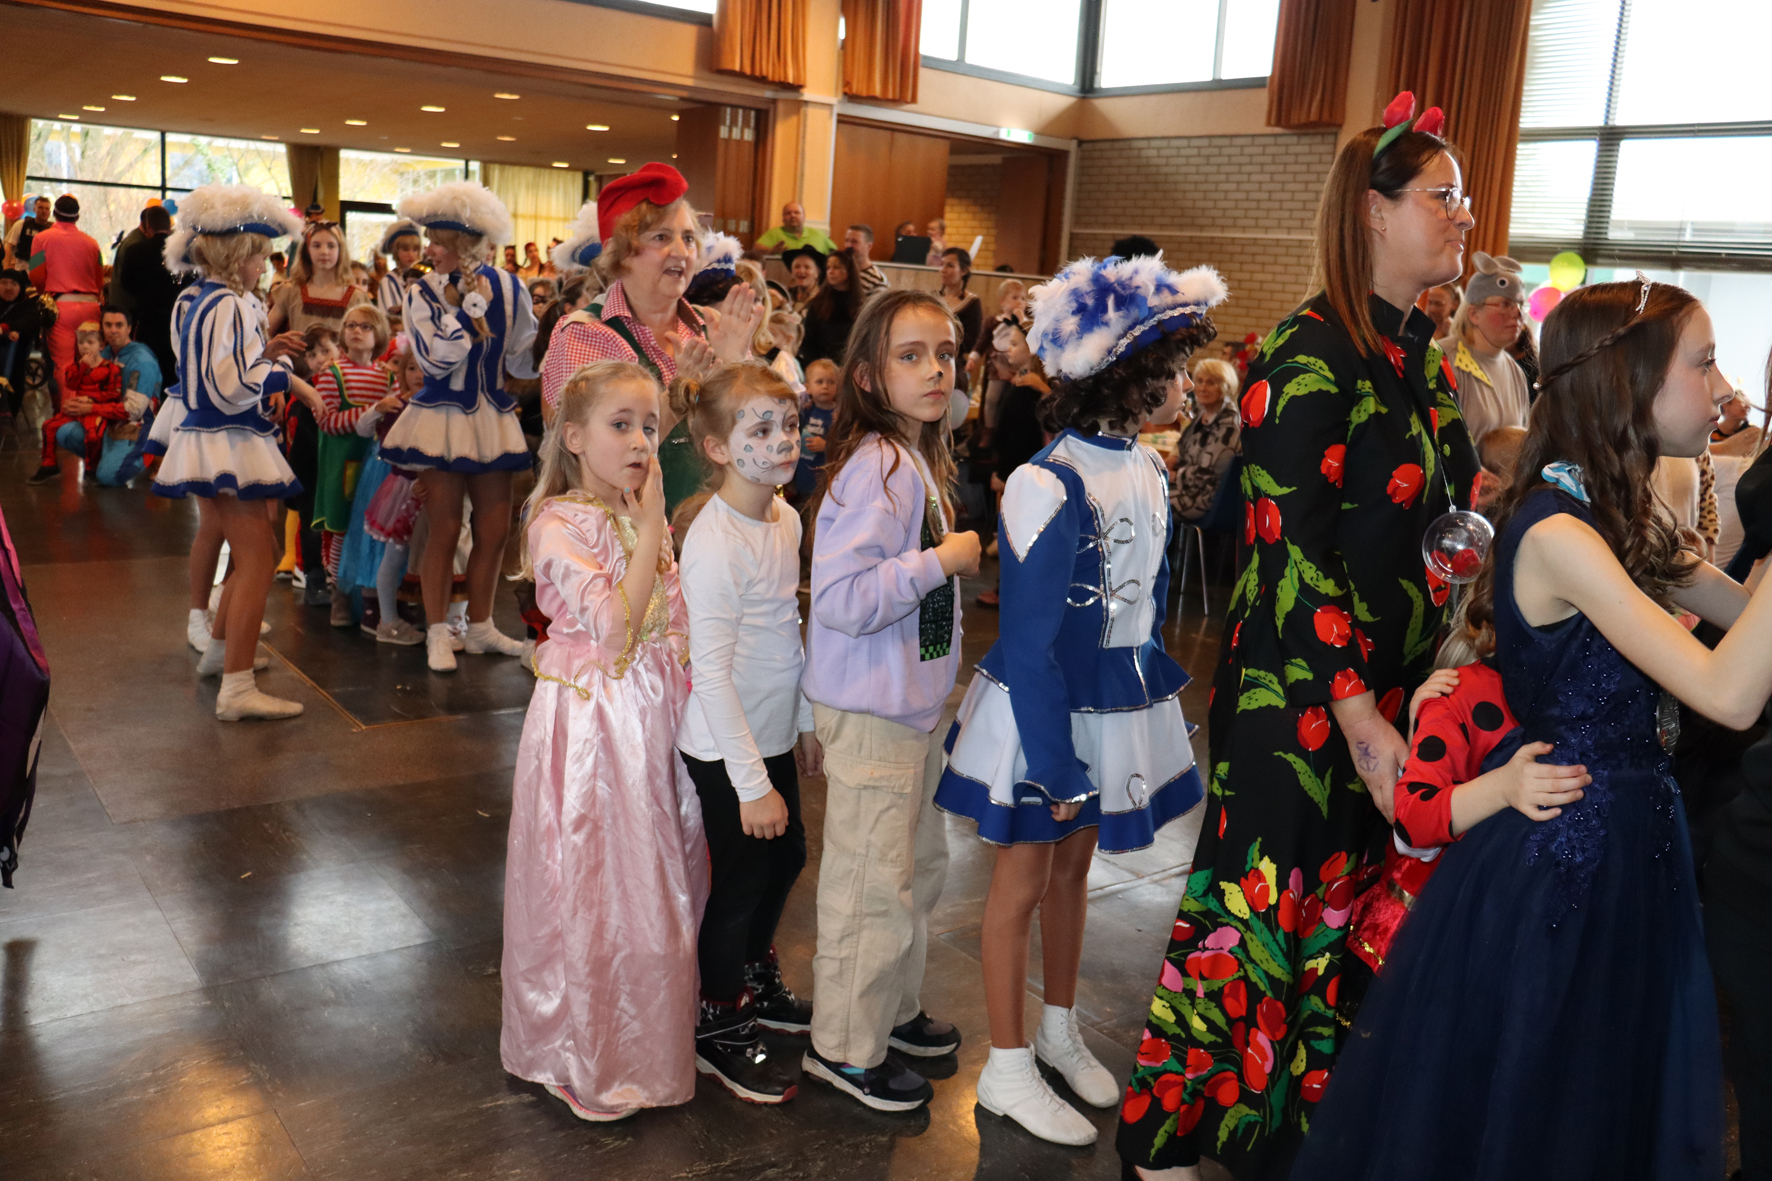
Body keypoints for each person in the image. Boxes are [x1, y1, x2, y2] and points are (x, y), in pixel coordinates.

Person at [1292, 274, 1754, 1181]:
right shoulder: (1558, 533)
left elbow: (1744, 622)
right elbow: (1728, 693)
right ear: (1630, 382)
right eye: (1702, 364)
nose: (1722, 388)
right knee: (1541, 1108)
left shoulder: (1621, 517)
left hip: (1632, 840)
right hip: (1565, 854)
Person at [1116, 92, 1479, 1181]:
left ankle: (1282, 1135)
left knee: (1339, 921)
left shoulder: (1422, 360)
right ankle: (1164, 1137)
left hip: (1391, 691)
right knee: (1254, 916)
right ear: (1373, 210)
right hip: (1303, 700)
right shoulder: (1305, 351)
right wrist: (1361, 716)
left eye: (1462, 196)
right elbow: (1293, 552)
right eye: (1442, 195)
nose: (1462, 214)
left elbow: (1442, 526)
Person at [937, 258, 1226, 1146]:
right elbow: (1028, 645)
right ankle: (1006, 1065)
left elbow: (1145, 602)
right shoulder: (1045, 480)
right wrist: (1056, 761)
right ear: (1121, 376)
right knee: (1021, 880)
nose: (1183, 385)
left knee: (1074, 870)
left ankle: (1057, 1029)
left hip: (1115, 700)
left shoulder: (1145, 466)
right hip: (1048, 714)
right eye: (1170, 370)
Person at [501, 358, 704, 1122]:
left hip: (652, 708)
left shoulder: (636, 511)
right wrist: (652, 528)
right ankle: (581, 1049)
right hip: (594, 722)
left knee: (655, 874)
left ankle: (648, 1036)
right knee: (593, 880)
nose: (642, 441)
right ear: (575, 436)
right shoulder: (558, 522)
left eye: (650, 425)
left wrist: (680, 668)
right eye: (622, 425)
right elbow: (614, 628)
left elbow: (672, 612)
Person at [799, 288, 980, 1112]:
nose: (935, 370)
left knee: (914, 871)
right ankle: (843, 1045)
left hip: (910, 709)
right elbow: (842, 597)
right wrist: (940, 561)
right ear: (869, 376)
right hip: (873, 713)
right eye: (911, 356)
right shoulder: (877, 465)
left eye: (944, 354)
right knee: (872, 884)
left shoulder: (911, 457)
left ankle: (892, 1009)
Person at [671, 362, 821, 1105]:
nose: (783, 440)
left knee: (787, 855)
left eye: (789, 424)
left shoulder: (785, 518)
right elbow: (711, 672)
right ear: (718, 448)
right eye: (760, 429)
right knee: (738, 883)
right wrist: (753, 783)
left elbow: (786, 630)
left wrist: (803, 721)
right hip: (724, 746)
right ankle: (717, 1018)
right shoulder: (714, 542)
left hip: (769, 731)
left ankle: (755, 972)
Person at [152, 184, 321, 721]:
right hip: (226, 438)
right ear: (237, 256)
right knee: (257, 560)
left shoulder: (209, 299)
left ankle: (222, 657)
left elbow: (224, 371)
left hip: (214, 437)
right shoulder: (224, 302)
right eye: (258, 256)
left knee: (254, 552)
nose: (263, 266)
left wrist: (267, 359)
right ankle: (237, 687)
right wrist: (289, 378)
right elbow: (229, 386)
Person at [379, 181, 539, 673]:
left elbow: (521, 357)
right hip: (442, 418)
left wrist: (548, 342)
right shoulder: (421, 291)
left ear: (465, 244)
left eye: (437, 241)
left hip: (491, 417)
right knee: (444, 527)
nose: (428, 249)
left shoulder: (510, 287)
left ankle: (481, 625)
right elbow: (434, 359)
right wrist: (466, 312)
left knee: (494, 528)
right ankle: (437, 632)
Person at [538, 166, 761, 516]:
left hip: (714, 526)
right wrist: (678, 393)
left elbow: (753, 436)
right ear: (618, 251)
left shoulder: (712, 327)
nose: (681, 252)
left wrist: (735, 363)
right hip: (621, 530)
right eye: (661, 237)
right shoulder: (586, 333)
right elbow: (586, 453)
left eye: (689, 238)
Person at [311, 304, 392, 627]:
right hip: (342, 464)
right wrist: (373, 410)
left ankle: (372, 595)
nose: (357, 331)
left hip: (377, 466)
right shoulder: (332, 374)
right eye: (351, 325)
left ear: (379, 334)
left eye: (366, 326)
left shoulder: (386, 375)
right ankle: (339, 595)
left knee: (375, 529)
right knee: (340, 530)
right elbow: (327, 421)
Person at [353, 341, 426, 646]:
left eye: (424, 368)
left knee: (420, 555)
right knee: (394, 556)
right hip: (405, 489)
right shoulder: (397, 405)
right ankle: (388, 619)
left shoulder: (434, 406)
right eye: (411, 368)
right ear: (401, 372)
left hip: (426, 488)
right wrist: (376, 409)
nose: (419, 375)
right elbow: (368, 432)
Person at [1436, 252, 1530, 448]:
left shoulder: (1515, 371)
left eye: (1520, 304)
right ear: (1473, 314)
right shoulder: (1444, 358)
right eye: (1505, 304)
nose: (1518, 313)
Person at [27, 195, 104, 404]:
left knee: (65, 365)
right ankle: (92, 410)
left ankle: (69, 412)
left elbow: (36, 276)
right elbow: (99, 279)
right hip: (91, 307)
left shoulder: (41, 239)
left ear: (54, 214)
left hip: (61, 308)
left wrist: (45, 295)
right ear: (77, 217)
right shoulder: (93, 243)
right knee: (90, 361)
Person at [30, 322, 123, 484]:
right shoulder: (74, 367)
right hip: (77, 409)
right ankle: (49, 464)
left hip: (95, 409)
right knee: (48, 426)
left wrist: (91, 399)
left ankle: (91, 468)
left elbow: (114, 394)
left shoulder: (111, 369)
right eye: (81, 342)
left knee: (93, 434)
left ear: (101, 345)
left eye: (90, 342)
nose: (85, 347)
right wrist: (81, 367)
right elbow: (71, 384)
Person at [115, 204, 180, 383]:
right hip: (176, 319)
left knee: (147, 365)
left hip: (148, 319)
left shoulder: (136, 251)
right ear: (170, 226)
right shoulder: (180, 251)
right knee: (172, 369)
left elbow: (126, 284)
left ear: (148, 226)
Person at [1170, 357, 1240, 521]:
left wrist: (1173, 475)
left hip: (1204, 499)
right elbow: (1183, 444)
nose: (1202, 387)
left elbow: (1208, 474)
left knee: (1146, 504)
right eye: (1200, 381)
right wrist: (1173, 458)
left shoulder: (1229, 424)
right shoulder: (1203, 415)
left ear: (1226, 386)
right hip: (1186, 489)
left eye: (1211, 383)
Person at [798, 248, 863, 369]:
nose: (830, 272)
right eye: (828, 268)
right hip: (821, 366)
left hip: (850, 367)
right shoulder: (818, 303)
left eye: (836, 267)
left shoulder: (860, 304)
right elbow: (808, 341)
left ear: (848, 271)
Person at [0, 267, 50, 421]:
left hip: (13, 359)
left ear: (21, 287)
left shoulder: (27, 305)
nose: (8, 287)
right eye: (3, 283)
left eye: (13, 284)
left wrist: (7, 328)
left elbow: (31, 322)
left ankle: (5, 404)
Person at [937, 247, 983, 393]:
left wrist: (942, 344)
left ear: (963, 271)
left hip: (953, 365)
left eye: (950, 265)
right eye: (942, 264)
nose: (943, 270)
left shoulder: (972, 302)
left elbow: (970, 341)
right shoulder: (934, 299)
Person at [792, 357, 837, 499]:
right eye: (819, 382)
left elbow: (847, 446)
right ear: (808, 387)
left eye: (831, 382)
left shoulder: (839, 415)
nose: (825, 386)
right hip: (802, 478)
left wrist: (826, 446)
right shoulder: (804, 411)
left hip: (825, 483)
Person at [376, 220, 424, 329]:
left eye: (415, 249)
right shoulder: (389, 281)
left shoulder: (425, 276)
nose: (411, 254)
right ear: (396, 251)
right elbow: (391, 318)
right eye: (405, 249)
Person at [754, 200, 836, 255]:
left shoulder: (818, 234)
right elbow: (756, 249)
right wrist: (771, 251)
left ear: (804, 216)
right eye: (788, 213)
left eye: (797, 213)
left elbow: (834, 252)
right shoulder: (773, 233)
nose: (792, 215)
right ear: (783, 218)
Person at [3, 196, 50, 271]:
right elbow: (8, 245)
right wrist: (6, 267)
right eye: (40, 208)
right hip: (22, 268)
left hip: (43, 270)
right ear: (34, 209)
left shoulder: (52, 229)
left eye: (47, 209)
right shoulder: (22, 224)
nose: (44, 211)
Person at [843, 225, 889, 300]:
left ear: (869, 246)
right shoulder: (839, 271)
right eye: (846, 241)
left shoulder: (877, 280)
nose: (849, 245)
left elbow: (878, 306)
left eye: (854, 242)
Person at [782, 245, 824, 311]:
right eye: (797, 267)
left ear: (817, 273)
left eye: (807, 267)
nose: (801, 271)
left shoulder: (823, 299)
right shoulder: (785, 295)